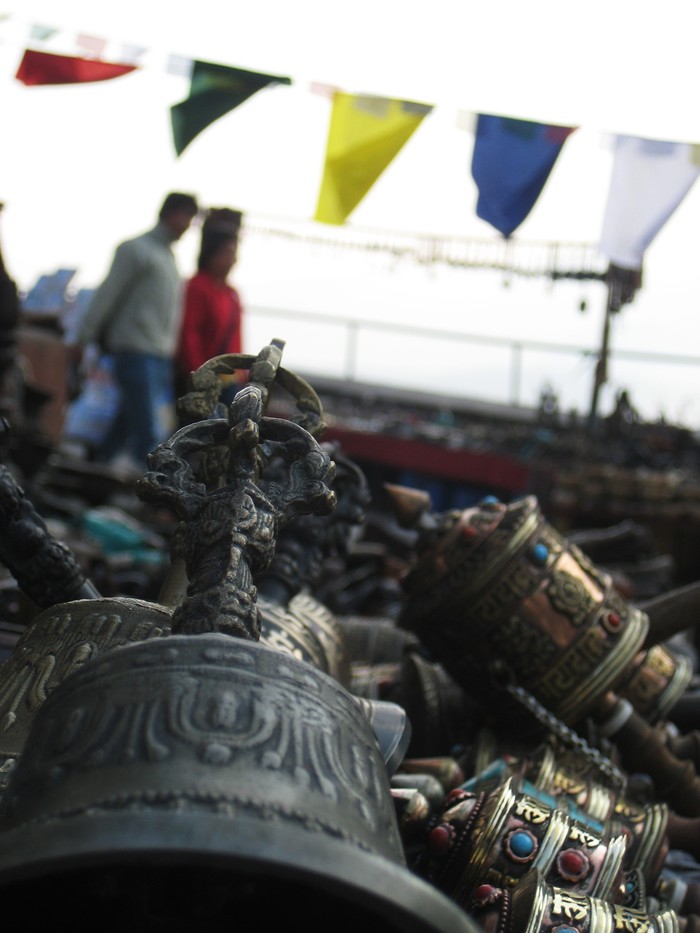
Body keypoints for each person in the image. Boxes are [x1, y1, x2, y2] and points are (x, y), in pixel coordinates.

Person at [71, 192, 199, 467]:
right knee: (147, 429)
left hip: (159, 355)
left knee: (127, 423)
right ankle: (157, 485)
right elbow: (107, 295)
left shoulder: (168, 258)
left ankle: (93, 469)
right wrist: (83, 338)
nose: (188, 226)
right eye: (187, 217)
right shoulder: (136, 250)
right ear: (171, 213)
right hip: (134, 350)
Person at [175, 208, 244, 404]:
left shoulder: (231, 293)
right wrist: (199, 372)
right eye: (227, 253)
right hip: (199, 378)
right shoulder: (197, 287)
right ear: (211, 254)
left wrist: (241, 372)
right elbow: (189, 333)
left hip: (229, 380)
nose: (232, 260)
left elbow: (235, 338)